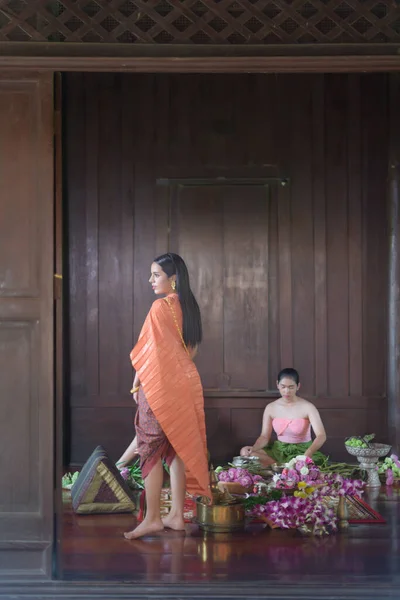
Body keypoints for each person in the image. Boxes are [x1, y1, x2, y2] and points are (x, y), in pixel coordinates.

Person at [123, 253, 211, 540]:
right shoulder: (190, 307)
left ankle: (152, 518)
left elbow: (148, 353)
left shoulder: (159, 307)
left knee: (149, 447)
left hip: (160, 384)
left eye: (156, 275)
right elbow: (191, 351)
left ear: (173, 278)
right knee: (177, 445)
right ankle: (176, 517)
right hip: (186, 383)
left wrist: (138, 384)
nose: (151, 280)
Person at [240, 368, 327, 467]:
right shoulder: (271, 407)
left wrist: (308, 453)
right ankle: (281, 467)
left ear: (298, 386)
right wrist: (254, 448)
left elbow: (321, 436)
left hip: (302, 450)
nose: (286, 391)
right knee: (245, 452)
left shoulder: (308, 407)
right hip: (279, 450)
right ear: (277, 384)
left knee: (305, 466)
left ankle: (281, 468)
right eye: (283, 387)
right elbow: (264, 437)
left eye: (291, 387)